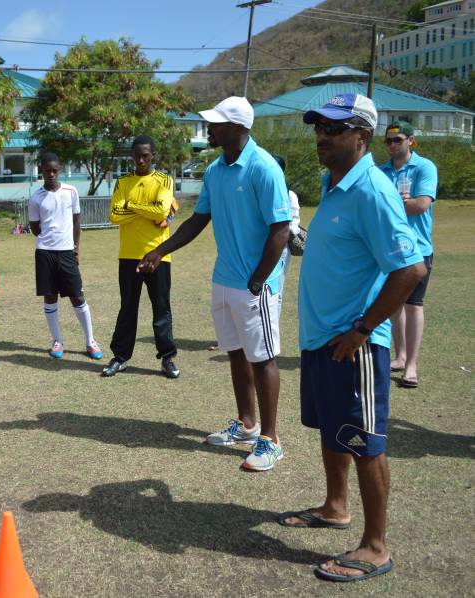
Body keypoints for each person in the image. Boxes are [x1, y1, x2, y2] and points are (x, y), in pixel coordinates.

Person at [276, 94, 425, 582]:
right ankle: (336, 507)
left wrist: (362, 329)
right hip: (322, 340)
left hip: (353, 343)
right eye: (318, 126)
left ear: (361, 137)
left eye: (334, 129)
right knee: (334, 431)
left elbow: (409, 269)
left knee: (366, 443)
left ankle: (376, 546)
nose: (321, 134)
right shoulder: (334, 182)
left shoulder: (372, 191)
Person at [140, 98, 291, 471]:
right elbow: (198, 219)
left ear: (239, 128)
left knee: (263, 357)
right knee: (236, 352)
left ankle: (270, 439)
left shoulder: (263, 167)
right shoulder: (215, 170)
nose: (209, 128)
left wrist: (259, 278)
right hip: (224, 279)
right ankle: (246, 425)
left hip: (256, 285)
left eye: (216, 124)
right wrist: (161, 250)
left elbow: (281, 228)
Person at [104, 135, 180, 379]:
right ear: (131, 155)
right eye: (136, 154)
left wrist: (132, 206)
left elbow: (161, 210)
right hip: (128, 255)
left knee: (161, 308)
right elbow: (114, 214)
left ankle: (167, 358)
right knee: (128, 307)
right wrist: (147, 209)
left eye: (145, 155)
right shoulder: (122, 181)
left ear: (153, 155)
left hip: (158, 254)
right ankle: (120, 357)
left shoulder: (164, 180)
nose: (140, 159)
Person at [378, 121, 438, 389]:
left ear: (411, 141)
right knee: (394, 305)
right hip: (389, 247)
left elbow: (421, 204)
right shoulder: (382, 171)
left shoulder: (424, 167)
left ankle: (411, 365)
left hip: (417, 249)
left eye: (397, 140)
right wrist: (402, 203)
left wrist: (396, 204)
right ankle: (400, 356)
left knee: (413, 306)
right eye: (388, 141)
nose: (392, 145)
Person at [27, 152, 103, 360]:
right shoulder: (36, 197)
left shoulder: (71, 191)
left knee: (77, 296)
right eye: (47, 170)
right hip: (45, 253)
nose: (51, 174)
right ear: (41, 170)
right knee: (50, 297)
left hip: (67, 252)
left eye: (54, 170)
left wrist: (76, 248)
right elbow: (35, 228)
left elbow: (77, 222)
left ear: (59, 170)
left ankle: (91, 341)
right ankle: (57, 340)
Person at [272, 154, 302, 316]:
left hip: (281, 248)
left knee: (277, 289)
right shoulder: (261, 190)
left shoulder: (289, 195)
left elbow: (294, 225)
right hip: (259, 247)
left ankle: (271, 327)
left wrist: (280, 230)